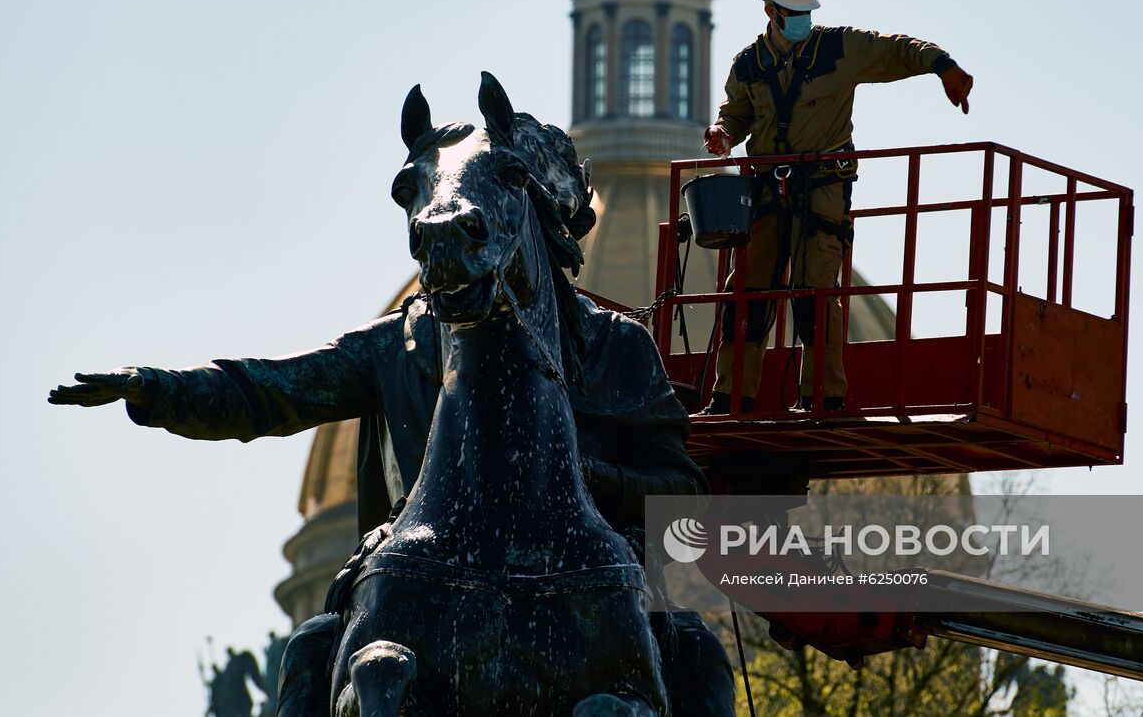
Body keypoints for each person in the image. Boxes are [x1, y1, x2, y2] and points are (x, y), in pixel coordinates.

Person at [50, 120, 735, 717]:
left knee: (700, 657)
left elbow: (686, 506)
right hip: (420, 562)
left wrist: (582, 474)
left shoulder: (614, 344)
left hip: (595, 581)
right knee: (316, 646)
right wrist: (158, 388)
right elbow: (271, 389)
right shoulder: (400, 339)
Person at [702, 0, 974, 415]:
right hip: (768, 193)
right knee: (746, 293)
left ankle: (823, 398)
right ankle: (731, 397)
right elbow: (737, 115)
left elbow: (895, 50)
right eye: (793, 12)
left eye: (806, 11)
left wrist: (942, 66)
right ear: (770, 11)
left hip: (822, 190)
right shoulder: (749, 65)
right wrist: (723, 134)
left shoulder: (836, 49)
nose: (802, 20)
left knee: (815, 293)